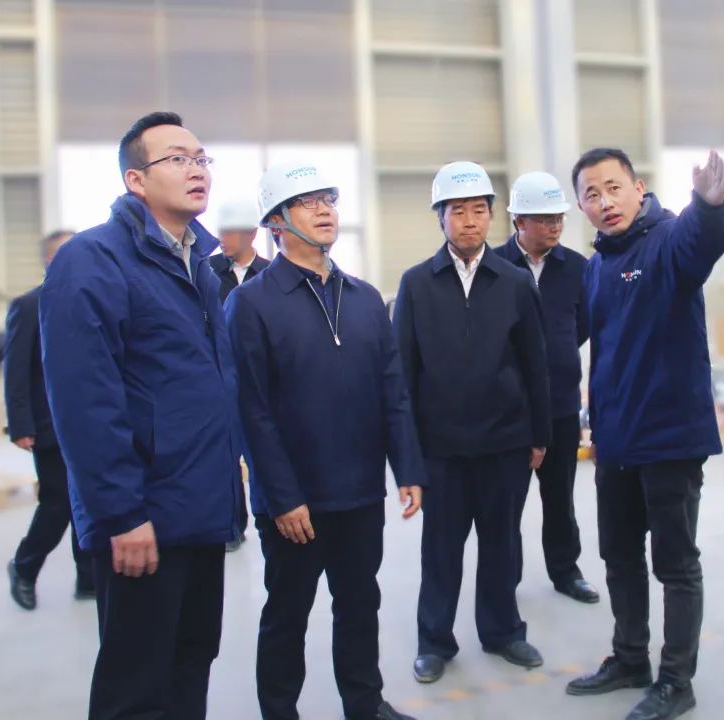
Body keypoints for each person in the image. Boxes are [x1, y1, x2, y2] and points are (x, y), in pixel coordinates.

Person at [39, 111, 244, 719]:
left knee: (191, 663)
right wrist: (121, 514)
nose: (196, 169)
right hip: (143, 517)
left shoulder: (198, 264)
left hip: (200, 509)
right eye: (177, 158)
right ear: (135, 179)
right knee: (137, 686)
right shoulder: (91, 260)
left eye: (202, 158)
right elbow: (84, 402)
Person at [225, 161, 423, 720]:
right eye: (308, 202)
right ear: (276, 222)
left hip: (359, 491)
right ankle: (279, 711)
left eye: (329, 199)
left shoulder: (363, 298)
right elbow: (251, 411)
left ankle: (365, 704)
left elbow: (392, 389)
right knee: (287, 613)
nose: (325, 210)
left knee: (359, 605)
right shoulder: (251, 303)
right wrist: (282, 497)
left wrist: (408, 467)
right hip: (296, 503)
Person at [564, 148, 724, 720]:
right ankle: (630, 658)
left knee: (675, 563)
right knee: (618, 556)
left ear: (639, 188)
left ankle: (676, 682)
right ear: (582, 207)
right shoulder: (598, 266)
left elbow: (702, 241)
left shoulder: (667, 241)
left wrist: (711, 206)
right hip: (616, 441)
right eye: (591, 194)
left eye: (613, 187)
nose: (605, 202)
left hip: (669, 438)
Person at [394, 161, 551, 685]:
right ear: (440, 217)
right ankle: (434, 641)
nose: (469, 221)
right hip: (441, 448)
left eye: (479, 210)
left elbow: (535, 363)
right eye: (457, 211)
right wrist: (408, 457)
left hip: (505, 443)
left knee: (502, 544)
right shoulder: (416, 284)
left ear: (491, 216)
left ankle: (503, 632)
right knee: (441, 550)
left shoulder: (514, 282)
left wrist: (540, 435)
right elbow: (402, 375)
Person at [492, 171, 599, 604]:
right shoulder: (494, 267)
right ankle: (505, 581)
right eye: (545, 219)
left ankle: (566, 571)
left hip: (560, 407)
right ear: (519, 221)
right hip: (509, 412)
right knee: (508, 503)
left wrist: (555, 355)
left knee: (560, 499)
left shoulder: (577, 268)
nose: (555, 226)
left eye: (559, 218)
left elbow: (583, 326)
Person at [5, 229, 94, 610]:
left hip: (90, 422)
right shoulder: (29, 305)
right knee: (57, 504)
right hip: (49, 425)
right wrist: (21, 424)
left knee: (89, 501)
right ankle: (24, 568)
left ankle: (88, 578)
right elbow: (15, 371)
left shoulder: (92, 301)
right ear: (49, 260)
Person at [209, 197, 270, 552]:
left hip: (260, 378)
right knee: (225, 454)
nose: (222, 239)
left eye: (230, 232)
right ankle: (232, 526)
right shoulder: (206, 273)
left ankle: (270, 511)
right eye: (220, 232)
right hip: (220, 379)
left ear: (250, 234)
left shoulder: (270, 274)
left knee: (262, 449)